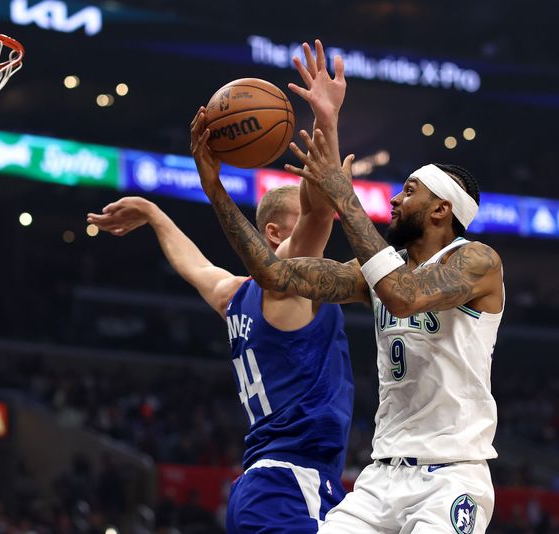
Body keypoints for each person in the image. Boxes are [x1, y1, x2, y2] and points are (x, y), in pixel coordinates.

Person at [88, 41, 355, 533]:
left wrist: (152, 212)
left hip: (263, 485)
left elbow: (194, 265)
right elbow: (320, 206)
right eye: (299, 229)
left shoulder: (234, 294)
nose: (326, 230)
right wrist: (326, 118)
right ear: (275, 233)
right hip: (290, 485)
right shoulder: (290, 280)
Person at [197, 120, 504, 531]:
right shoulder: (373, 273)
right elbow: (274, 275)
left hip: (450, 475)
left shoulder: (478, 262)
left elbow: (405, 297)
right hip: (382, 477)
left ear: (441, 209)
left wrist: (345, 195)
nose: (394, 199)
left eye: (409, 191)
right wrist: (215, 189)